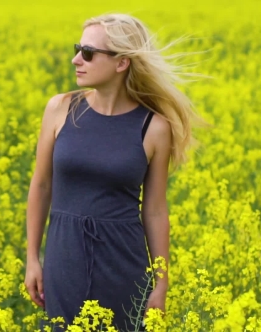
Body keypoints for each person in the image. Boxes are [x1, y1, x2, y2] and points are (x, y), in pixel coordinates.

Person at [24, 13, 207, 331]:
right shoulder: (60, 108)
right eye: (78, 48)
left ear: (122, 63)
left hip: (124, 263)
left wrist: (161, 284)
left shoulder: (154, 128)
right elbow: (41, 186)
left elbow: (155, 210)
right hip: (64, 257)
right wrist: (32, 259)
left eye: (89, 53)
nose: (75, 59)